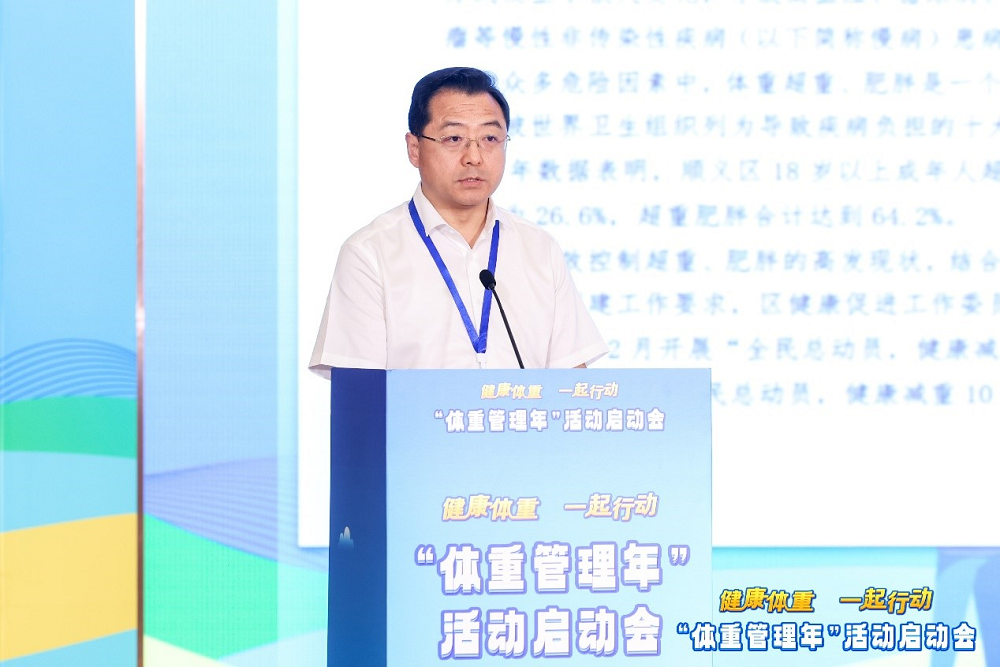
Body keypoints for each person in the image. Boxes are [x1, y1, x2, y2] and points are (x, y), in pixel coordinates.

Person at [309, 67, 607, 376]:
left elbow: (573, 383)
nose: (474, 157)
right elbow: (357, 392)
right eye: (454, 138)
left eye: (490, 138)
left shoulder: (539, 248)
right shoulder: (370, 253)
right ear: (414, 149)